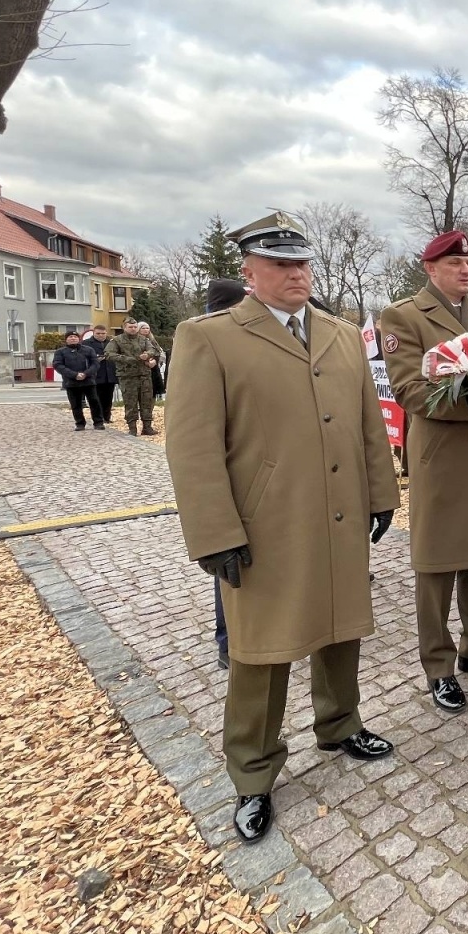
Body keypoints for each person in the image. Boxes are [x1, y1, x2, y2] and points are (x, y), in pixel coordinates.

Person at [165, 211, 400, 843]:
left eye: (302, 262)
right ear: (249, 271)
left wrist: (381, 494)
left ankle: (340, 723)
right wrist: (215, 534)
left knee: (341, 626)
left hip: (340, 512)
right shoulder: (210, 338)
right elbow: (192, 447)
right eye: (280, 264)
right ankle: (253, 772)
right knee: (260, 652)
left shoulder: (341, 335)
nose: (297, 274)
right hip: (264, 525)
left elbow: (368, 421)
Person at [381, 230, 468, 715]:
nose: (466, 270)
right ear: (431, 268)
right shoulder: (403, 316)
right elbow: (410, 391)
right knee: (437, 567)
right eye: (455, 263)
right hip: (442, 459)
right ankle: (439, 667)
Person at [200, 278, 250, 670]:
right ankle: (228, 641)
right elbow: (197, 443)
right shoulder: (206, 340)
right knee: (230, 567)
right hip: (230, 479)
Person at [106, 322, 161, 436]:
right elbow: (109, 354)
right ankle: (132, 428)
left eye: (135, 327)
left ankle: (147, 427)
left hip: (144, 375)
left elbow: (153, 350)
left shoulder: (143, 339)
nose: (133, 329)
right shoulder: (117, 340)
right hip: (127, 376)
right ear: (124, 328)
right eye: (130, 327)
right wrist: (126, 359)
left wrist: (147, 355)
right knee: (130, 403)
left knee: (146, 402)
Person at [51, 331, 105, 430]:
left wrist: (86, 373)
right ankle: (80, 423)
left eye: (75, 337)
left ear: (79, 339)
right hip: (71, 382)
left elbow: (95, 364)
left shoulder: (88, 350)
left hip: (88, 381)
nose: (73, 338)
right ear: (66, 339)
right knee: (75, 404)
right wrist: (74, 375)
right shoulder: (60, 352)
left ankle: (98, 422)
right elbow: (58, 365)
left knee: (94, 402)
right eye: (70, 337)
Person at [83, 325, 118, 426]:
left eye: (103, 333)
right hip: (95, 375)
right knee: (96, 398)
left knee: (108, 398)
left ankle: (106, 417)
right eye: (98, 333)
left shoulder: (111, 342)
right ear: (93, 333)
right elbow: (82, 358)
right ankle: (98, 418)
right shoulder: (86, 343)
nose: (101, 335)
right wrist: (94, 360)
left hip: (109, 374)